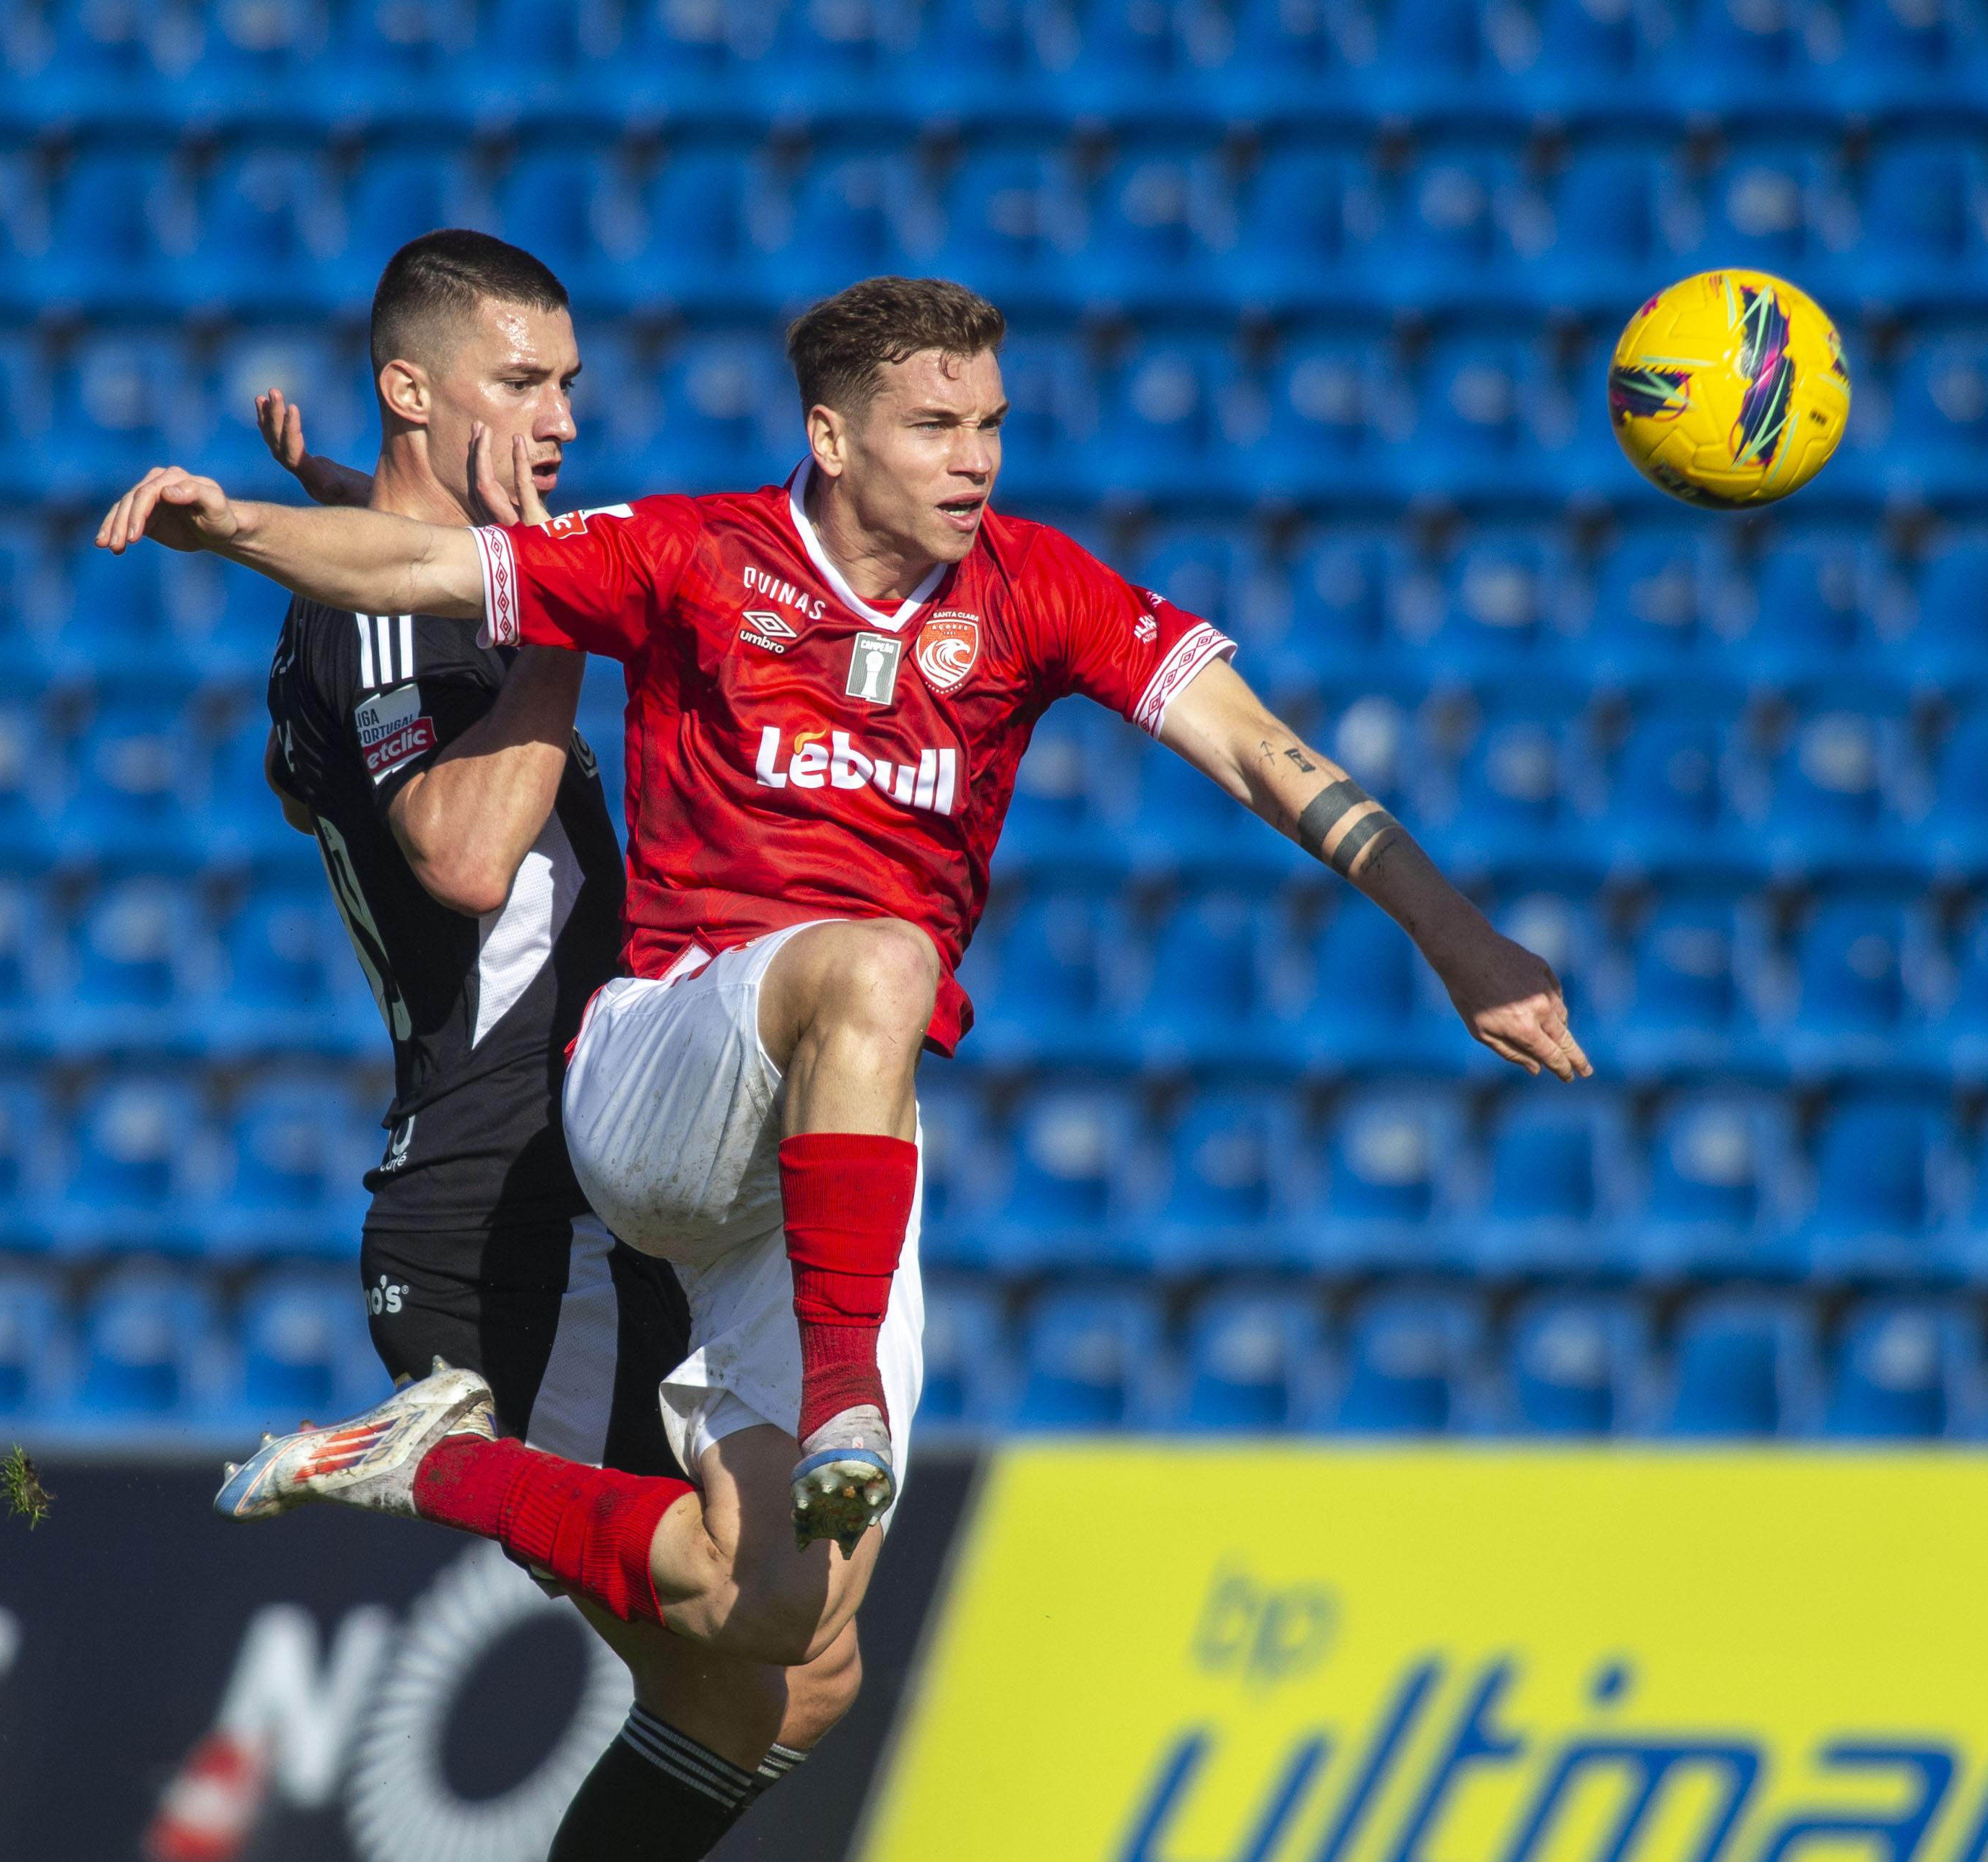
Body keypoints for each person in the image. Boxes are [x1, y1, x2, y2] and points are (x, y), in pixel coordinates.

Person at [98, 272, 1588, 1681]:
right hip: (663, 1069)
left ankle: (432, 1463)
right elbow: (420, 561)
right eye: (934, 426)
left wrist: (1454, 935)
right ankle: (840, 1393)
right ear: (829, 435)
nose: (975, 459)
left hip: (826, 1143)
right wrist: (232, 528)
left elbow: (1262, 752)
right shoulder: (696, 556)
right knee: (881, 956)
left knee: (777, 1616)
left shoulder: (1036, 588)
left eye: (990, 423)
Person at [243, 228, 850, 1862]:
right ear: (410, 390)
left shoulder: (422, 589)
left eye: (570, 383)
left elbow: (361, 681)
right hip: (501, 1209)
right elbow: (459, 853)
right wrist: (565, 603)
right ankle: (421, 1463)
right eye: (521, 382)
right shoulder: (395, 611)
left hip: (581, 1181)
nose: (564, 418)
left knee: (797, 1669)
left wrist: (375, 512)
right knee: (752, 1653)